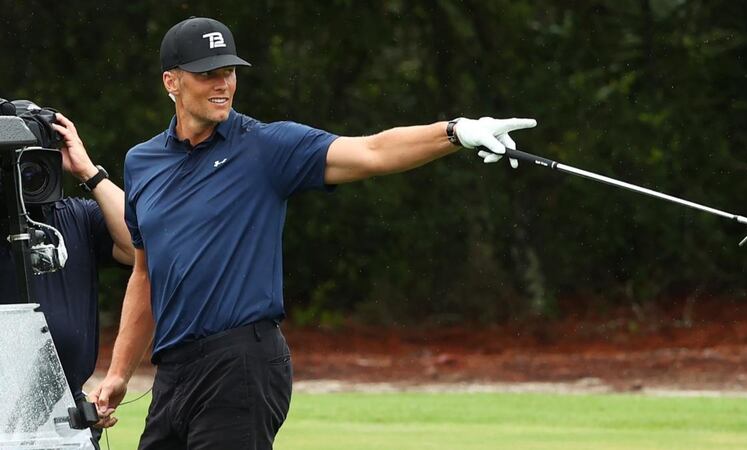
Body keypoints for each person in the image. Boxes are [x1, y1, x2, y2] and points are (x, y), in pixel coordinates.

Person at [90, 16, 536, 449]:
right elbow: (146, 275)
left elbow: (372, 151)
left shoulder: (265, 147)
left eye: (228, 72)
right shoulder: (142, 162)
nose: (223, 84)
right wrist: (118, 374)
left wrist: (456, 132)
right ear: (172, 81)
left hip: (241, 361)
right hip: (173, 372)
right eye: (208, 74)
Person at [0, 112, 134, 448]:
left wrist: (90, 172)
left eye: (33, 162)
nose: (25, 175)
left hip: (66, 413)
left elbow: (139, 247)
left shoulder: (76, 215)